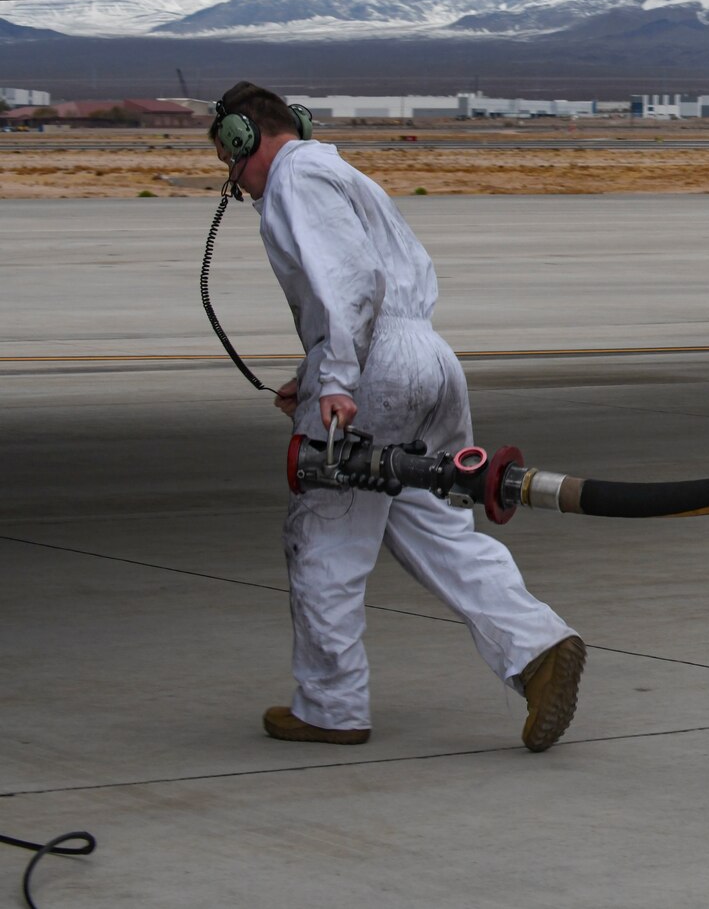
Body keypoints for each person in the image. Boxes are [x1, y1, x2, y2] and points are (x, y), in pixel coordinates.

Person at [209, 81, 585, 751]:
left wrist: (337, 379)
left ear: (246, 136)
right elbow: (376, 286)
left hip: (376, 366)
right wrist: (316, 373)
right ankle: (539, 646)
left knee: (324, 534)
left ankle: (331, 704)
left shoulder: (296, 179)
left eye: (229, 156)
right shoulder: (341, 170)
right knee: (433, 518)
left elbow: (346, 279)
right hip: (428, 358)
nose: (232, 177)